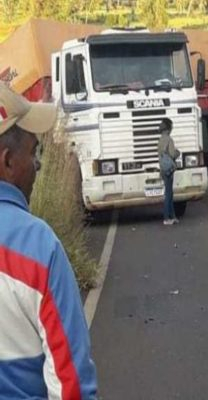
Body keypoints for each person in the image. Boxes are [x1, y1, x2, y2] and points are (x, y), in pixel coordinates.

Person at [0, 83, 97, 399]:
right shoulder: (36, 246)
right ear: (8, 162)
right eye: (33, 151)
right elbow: (71, 385)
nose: (38, 165)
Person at [158, 118, 180, 225]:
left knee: (168, 192)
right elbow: (172, 154)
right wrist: (177, 153)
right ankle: (167, 217)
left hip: (163, 168)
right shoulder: (169, 140)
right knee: (169, 194)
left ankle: (172, 216)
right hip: (169, 169)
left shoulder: (161, 140)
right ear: (169, 128)